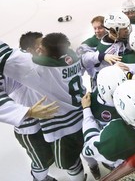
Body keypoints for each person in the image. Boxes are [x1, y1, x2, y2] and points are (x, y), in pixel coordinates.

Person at [0, 34, 91, 181]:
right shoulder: (68, 56)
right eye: (39, 46)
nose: (41, 49)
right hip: (36, 123)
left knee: (61, 161)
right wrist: (26, 112)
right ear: (29, 50)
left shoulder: (35, 66)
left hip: (54, 121)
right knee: (44, 162)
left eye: (42, 47)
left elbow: (7, 58)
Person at [8, 31, 58, 181]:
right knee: (41, 162)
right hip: (28, 128)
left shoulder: (38, 62)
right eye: (40, 44)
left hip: (42, 119)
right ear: (30, 50)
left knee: (47, 156)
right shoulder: (18, 68)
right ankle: (40, 178)